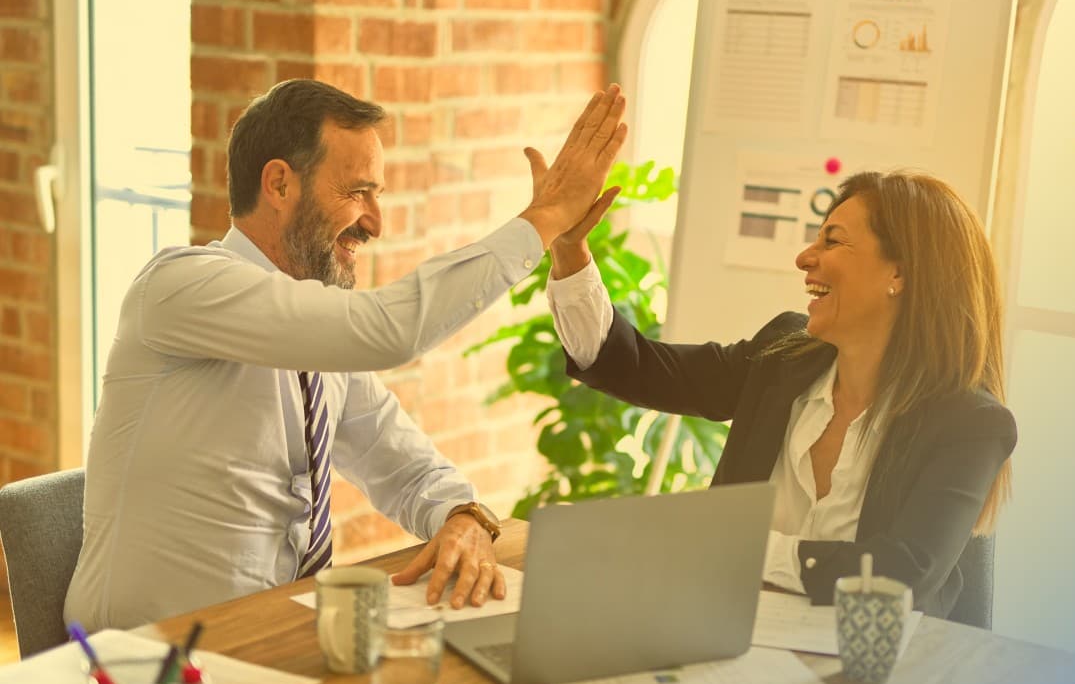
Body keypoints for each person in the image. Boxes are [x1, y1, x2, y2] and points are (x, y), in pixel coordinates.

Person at [65, 78, 626, 630]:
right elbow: (389, 330)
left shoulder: (315, 337)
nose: (375, 222)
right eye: (358, 192)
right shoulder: (181, 287)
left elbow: (402, 464)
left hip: (274, 639)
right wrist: (546, 218)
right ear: (280, 185)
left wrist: (463, 515)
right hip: (145, 665)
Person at [544, 170, 1016, 617]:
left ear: (901, 275)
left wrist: (742, 549)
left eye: (832, 241)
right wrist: (569, 250)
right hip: (729, 640)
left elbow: (900, 575)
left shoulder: (969, 424)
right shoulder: (783, 358)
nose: (805, 258)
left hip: (877, 677)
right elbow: (634, 367)